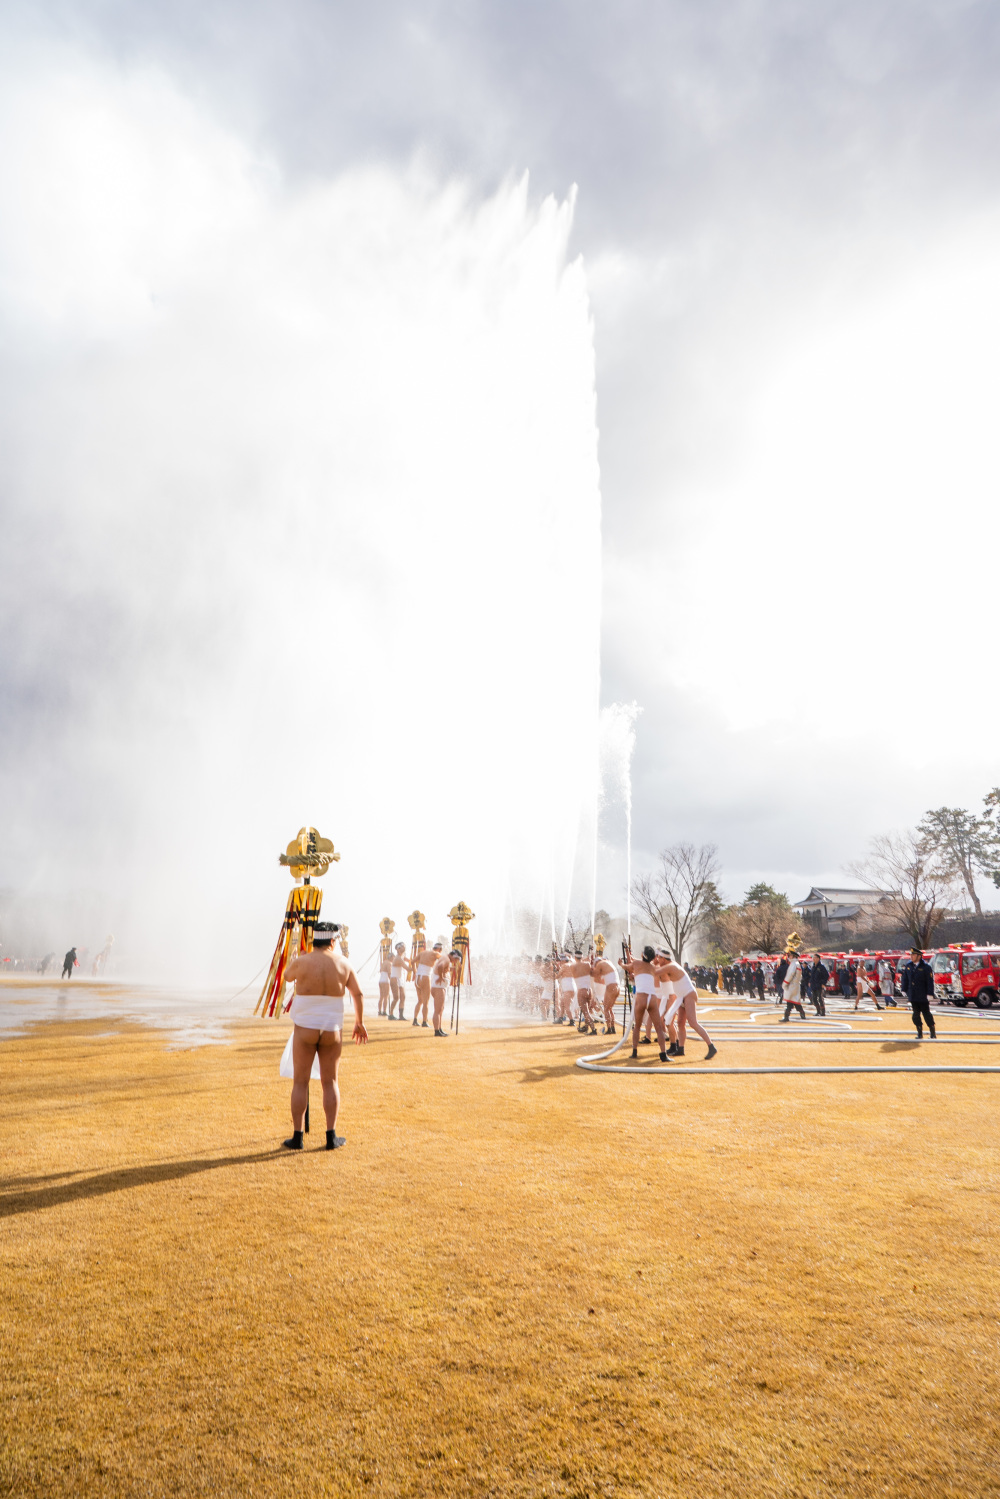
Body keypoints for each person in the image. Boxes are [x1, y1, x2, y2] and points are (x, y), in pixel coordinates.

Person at [281, 921, 367, 1150]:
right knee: (330, 1082)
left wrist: (299, 958)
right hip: (331, 1029)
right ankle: (331, 1136)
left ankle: (297, 1136)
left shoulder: (302, 962)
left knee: (300, 1082)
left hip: (305, 1028)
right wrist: (359, 1022)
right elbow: (357, 994)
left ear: (314, 940)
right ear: (332, 941)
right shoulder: (343, 964)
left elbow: (287, 976)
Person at [657, 952, 717, 1060]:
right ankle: (680, 1049)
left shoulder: (671, 966)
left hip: (688, 994)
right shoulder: (668, 966)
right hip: (681, 997)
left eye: (658, 958)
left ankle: (711, 1046)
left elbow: (655, 972)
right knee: (680, 1023)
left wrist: (640, 967)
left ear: (664, 959)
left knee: (693, 1023)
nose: (657, 960)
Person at [622, 946, 669, 1061]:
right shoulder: (653, 967)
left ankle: (634, 1051)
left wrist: (620, 964)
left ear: (643, 955)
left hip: (641, 997)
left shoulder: (637, 963)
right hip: (652, 998)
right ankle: (663, 1054)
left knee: (637, 1026)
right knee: (658, 1027)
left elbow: (627, 966)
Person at [900, 946, 937, 1040]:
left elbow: (929, 981)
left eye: (913, 955)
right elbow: (905, 978)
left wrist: (930, 993)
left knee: (926, 1014)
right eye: (911, 955)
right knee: (915, 1015)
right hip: (913, 994)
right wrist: (903, 989)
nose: (911, 957)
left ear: (919, 956)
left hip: (923, 995)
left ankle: (932, 1032)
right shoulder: (909, 966)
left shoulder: (926, 967)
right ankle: (919, 1033)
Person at [413, 942, 443, 1029]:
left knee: (420, 1000)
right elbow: (445, 959)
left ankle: (415, 1019)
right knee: (426, 1002)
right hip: (425, 977)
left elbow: (413, 961)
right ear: (439, 949)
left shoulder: (423, 952)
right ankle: (424, 1021)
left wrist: (415, 971)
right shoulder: (435, 954)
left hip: (417, 978)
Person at [430, 948, 457, 1036]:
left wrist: (453, 969)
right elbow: (440, 966)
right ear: (453, 956)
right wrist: (441, 977)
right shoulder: (446, 959)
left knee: (440, 1009)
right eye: (455, 959)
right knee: (438, 1010)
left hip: (439, 986)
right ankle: (437, 1031)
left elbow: (444, 968)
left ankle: (439, 1029)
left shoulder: (446, 959)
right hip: (439, 987)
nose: (455, 961)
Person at [592, 951, 619, 1033]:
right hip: (617, 987)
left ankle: (609, 1029)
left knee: (606, 1009)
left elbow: (595, 975)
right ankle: (612, 1028)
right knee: (610, 1009)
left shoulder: (600, 964)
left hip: (611, 986)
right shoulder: (608, 963)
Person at [779, 950, 806, 1021]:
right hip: (795, 985)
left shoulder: (794, 964)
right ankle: (802, 1013)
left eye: (790, 955)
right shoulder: (796, 963)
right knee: (795, 1001)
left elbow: (790, 975)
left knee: (790, 1001)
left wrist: (784, 984)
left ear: (793, 956)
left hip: (791, 985)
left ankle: (786, 1016)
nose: (789, 957)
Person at [388, 943, 408, 1020]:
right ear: (399, 949)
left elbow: (409, 960)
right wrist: (415, 970)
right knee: (396, 997)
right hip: (395, 978)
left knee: (403, 997)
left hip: (400, 978)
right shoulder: (398, 958)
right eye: (403, 946)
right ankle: (390, 1014)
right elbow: (407, 968)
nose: (404, 947)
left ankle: (401, 1015)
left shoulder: (402, 956)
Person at [377, 950, 392, 1016]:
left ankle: (379, 1011)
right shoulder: (389, 963)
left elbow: (381, 971)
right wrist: (391, 980)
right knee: (386, 996)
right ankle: (384, 1011)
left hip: (381, 980)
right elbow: (389, 973)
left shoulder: (383, 963)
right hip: (385, 980)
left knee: (381, 997)